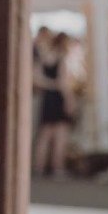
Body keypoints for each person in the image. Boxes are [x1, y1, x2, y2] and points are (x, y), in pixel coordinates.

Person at [34, 32, 78, 179]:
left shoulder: (45, 57)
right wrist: (69, 100)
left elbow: (37, 78)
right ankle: (57, 167)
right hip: (58, 97)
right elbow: (63, 83)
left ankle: (39, 167)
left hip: (47, 97)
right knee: (60, 134)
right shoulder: (61, 58)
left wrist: (49, 85)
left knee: (45, 134)